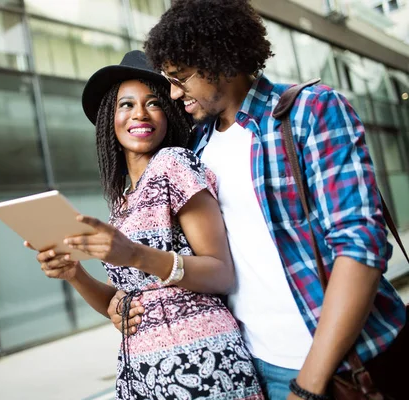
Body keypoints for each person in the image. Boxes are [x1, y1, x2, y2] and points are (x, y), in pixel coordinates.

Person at [106, 1, 407, 399]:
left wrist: (309, 384)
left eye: (180, 77)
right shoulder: (197, 146)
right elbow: (193, 256)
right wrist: (124, 300)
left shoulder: (307, 111)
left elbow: (361, 248)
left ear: (219, 61)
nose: (175, 92)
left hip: (347, 365)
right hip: (253, 364)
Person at [26, 50, 264, 400]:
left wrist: (135, 254)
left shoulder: (174, 164)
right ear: (111, 118)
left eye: (153, 103)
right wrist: (73, 272)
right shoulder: (123, 203)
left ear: (168, 114)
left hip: (199, 365)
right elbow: (120, 300)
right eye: (126, 105)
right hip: (143, 372)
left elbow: (221, 272)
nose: (139, 113)